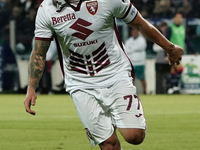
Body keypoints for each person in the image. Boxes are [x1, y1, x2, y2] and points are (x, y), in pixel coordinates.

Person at [24, 0, 183, 149]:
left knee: (135, 136)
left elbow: (139, 23)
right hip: (80, 84)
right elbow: (39, 52)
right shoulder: (46, 9)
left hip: (115, 74)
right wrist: (31, 87)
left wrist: (169, 47)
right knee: (108, 144)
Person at [166, 12, 197, 94]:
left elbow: (187, 41)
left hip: (180, 53)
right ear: (174, 19)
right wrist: (166, 53)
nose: (179, 19)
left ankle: (171, 87)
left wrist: (194, 51)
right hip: (172, 52)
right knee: (180, 68)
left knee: (173, 69)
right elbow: (166, 41)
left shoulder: (183, 29)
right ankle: (175, 86)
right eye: (177, 18)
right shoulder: (170, 28)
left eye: (181, 18)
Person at [125, 28, 147, 94]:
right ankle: (132, 92)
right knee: (132, 79)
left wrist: (131, 49)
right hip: (132, 63)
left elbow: (141, 47)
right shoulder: (128, 41)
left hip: (140, 62)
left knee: (142, 78)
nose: (134, 32)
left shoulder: (142, 40)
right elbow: (126, 50)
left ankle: (145, 91)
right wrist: (134, 49)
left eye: (135, 31)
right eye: (133, 31)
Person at [153, 22, 171, 94]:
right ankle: (158, 92)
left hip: (167, 61)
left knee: (167, 78)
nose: (164, 29)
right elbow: (154, 48)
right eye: (162, 27)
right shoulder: (158, 37)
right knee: (158, 78)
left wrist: (161, 46)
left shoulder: (169, 37)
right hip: (159, 61)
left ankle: (166, 92)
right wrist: (165, 47)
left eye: (165, 27)